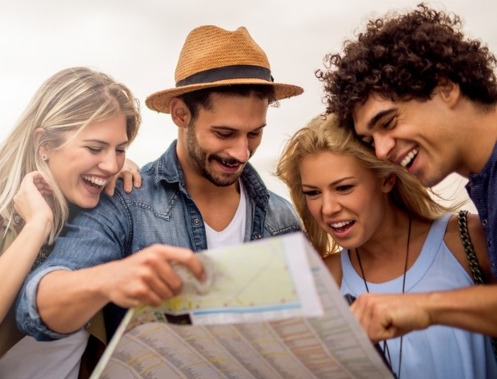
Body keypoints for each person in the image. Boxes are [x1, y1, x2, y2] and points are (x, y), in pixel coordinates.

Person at [15, 25, 303, 345]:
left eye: (254, 134)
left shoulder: (282, 218)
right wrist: (110, 278)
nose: (241, 152)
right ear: (180, 114)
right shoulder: (125, 202)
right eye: (224, 134)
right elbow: (35, 311)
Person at [0, 67, 143, 379]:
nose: (111, 164)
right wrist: (36, 226)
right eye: (94, 148)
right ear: (45, 144)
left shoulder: (100, 219)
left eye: (120, 150)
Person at [315, 3, 497, 341]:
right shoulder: (486, 185)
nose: (382, 150)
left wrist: (426, 307)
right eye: (370, 139)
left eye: (388, 122)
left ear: (446, 87)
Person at [276, 113, 497, 378]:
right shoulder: (323, 279)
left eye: (344, 188)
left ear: (387, 179)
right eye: (313, 193)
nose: (328, 208)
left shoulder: (466, 239)